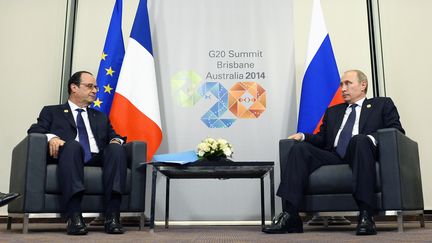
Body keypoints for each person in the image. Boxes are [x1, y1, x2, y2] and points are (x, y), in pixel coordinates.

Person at [263, 70, 404, 235]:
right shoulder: (333, 111)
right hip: (334, 155)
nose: (343, 88)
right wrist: (303, 136)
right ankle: (291, 216)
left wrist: (369, 139)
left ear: (363, 85)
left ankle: (366, 215)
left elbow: (395, 129)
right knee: (299, 148)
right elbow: (323, 139)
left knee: (359, 140)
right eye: (341, 84)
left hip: (361, 152)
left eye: (348, 83)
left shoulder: (382, 104)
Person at [28, 71, 127, 235]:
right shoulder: (52, 111)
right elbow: (35, 130)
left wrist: (116, 141)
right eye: (90, 86)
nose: (95, 90)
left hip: (98, 157)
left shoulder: (100, 116)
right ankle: (74, 217)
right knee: (73, 145)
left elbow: (114, 136)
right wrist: (52, 137)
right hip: (70, 155)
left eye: (95, 87)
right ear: (74, 87)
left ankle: (112, 217)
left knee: (116, 149)